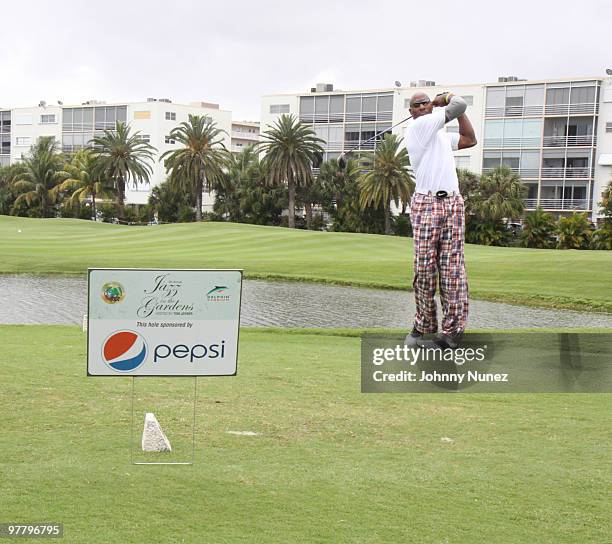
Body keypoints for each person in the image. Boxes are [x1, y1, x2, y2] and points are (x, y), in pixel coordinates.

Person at [403, 91, 477, 348]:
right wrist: (444, 98)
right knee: (424, 270)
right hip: (427, 203)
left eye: (426, 103)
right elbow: (459, 103)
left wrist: (457, 111)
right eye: (418, 104)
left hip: (453, 203)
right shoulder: (419, 127)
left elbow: (469, 139)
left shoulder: (441, 135)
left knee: (452, 271)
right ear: (411, 111)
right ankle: (424, 323)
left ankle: (451, 332)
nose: (423, 107)